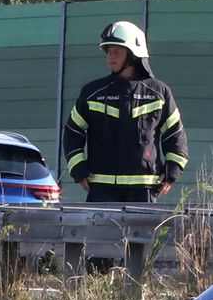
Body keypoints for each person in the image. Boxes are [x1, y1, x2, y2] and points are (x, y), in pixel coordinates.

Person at [62, 20, 189, 203]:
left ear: (132, 54)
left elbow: (175, 134)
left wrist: (172, 172)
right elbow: (72, 132)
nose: (109, 57)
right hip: (101, 191)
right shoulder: (92, 92)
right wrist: (79, 170)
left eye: (116, 52)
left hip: (144, 191)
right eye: (108, 51)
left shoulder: (159, 93)